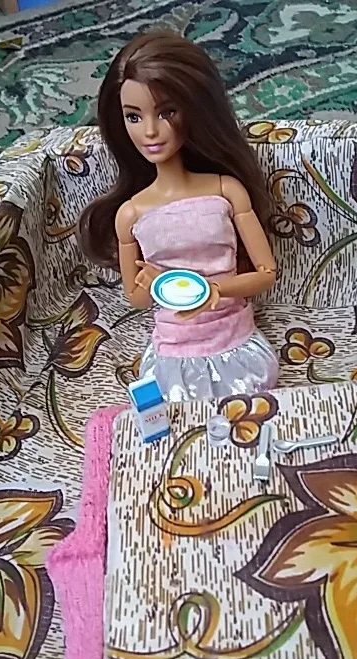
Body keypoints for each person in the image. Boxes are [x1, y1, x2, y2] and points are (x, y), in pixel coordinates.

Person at [78, 32, 279, 401]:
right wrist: (155, 282)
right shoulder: (131, 214)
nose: (150, 131)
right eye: (134, 116)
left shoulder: (226, 190)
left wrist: (216, 290)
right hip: (174, 352)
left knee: (246, 411)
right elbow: (137, 298)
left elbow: (266, 273)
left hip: (234, 341)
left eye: (167, 112)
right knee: (174, 413)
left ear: (195, 109)